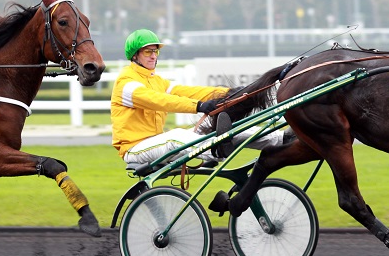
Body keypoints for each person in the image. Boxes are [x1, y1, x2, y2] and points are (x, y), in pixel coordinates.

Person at [111, 29, 283, 166]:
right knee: (175, 136)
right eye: (148, 51)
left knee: (227, 127)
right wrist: (199, 106)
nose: (153, 56)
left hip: (155, 143)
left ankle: (281, 139)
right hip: (135, 149)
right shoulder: (126, 82)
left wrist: (230, 93)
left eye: (155, 51)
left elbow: (186, 91)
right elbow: (158, 100)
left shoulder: (155, 80)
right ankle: (215, 152)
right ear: (135, 55)